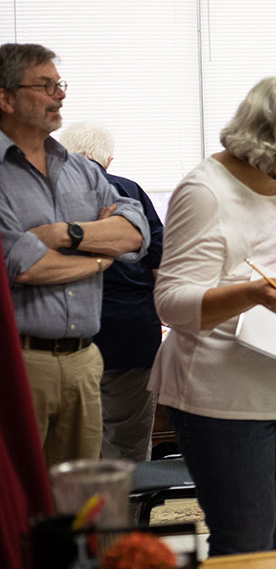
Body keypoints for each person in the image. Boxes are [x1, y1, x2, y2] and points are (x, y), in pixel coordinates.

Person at [149, 76, 276, 557]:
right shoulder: (205, 192)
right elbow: (170, 301)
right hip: (222, 397)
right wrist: (250, 294)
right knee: (245, 546)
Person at [0, 43, 150, 467]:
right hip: (22, 362)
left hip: (85, 358)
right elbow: (24, 264)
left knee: (81, 502)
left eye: (60, 84)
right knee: (24, 503)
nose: (60, 95)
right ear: (6, 98)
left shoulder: (80, 169)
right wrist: (103, 256)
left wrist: (67, 233)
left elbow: (134, 232)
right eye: (46, 86)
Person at [57, 122, 164, 462]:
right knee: (129, 450)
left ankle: (81, 514)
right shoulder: (129, 190)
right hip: (131, 332)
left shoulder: (45, 191)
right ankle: (126, 513)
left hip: (66, 335)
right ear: (109, 160)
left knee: (72, 453)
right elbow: (160, 265)